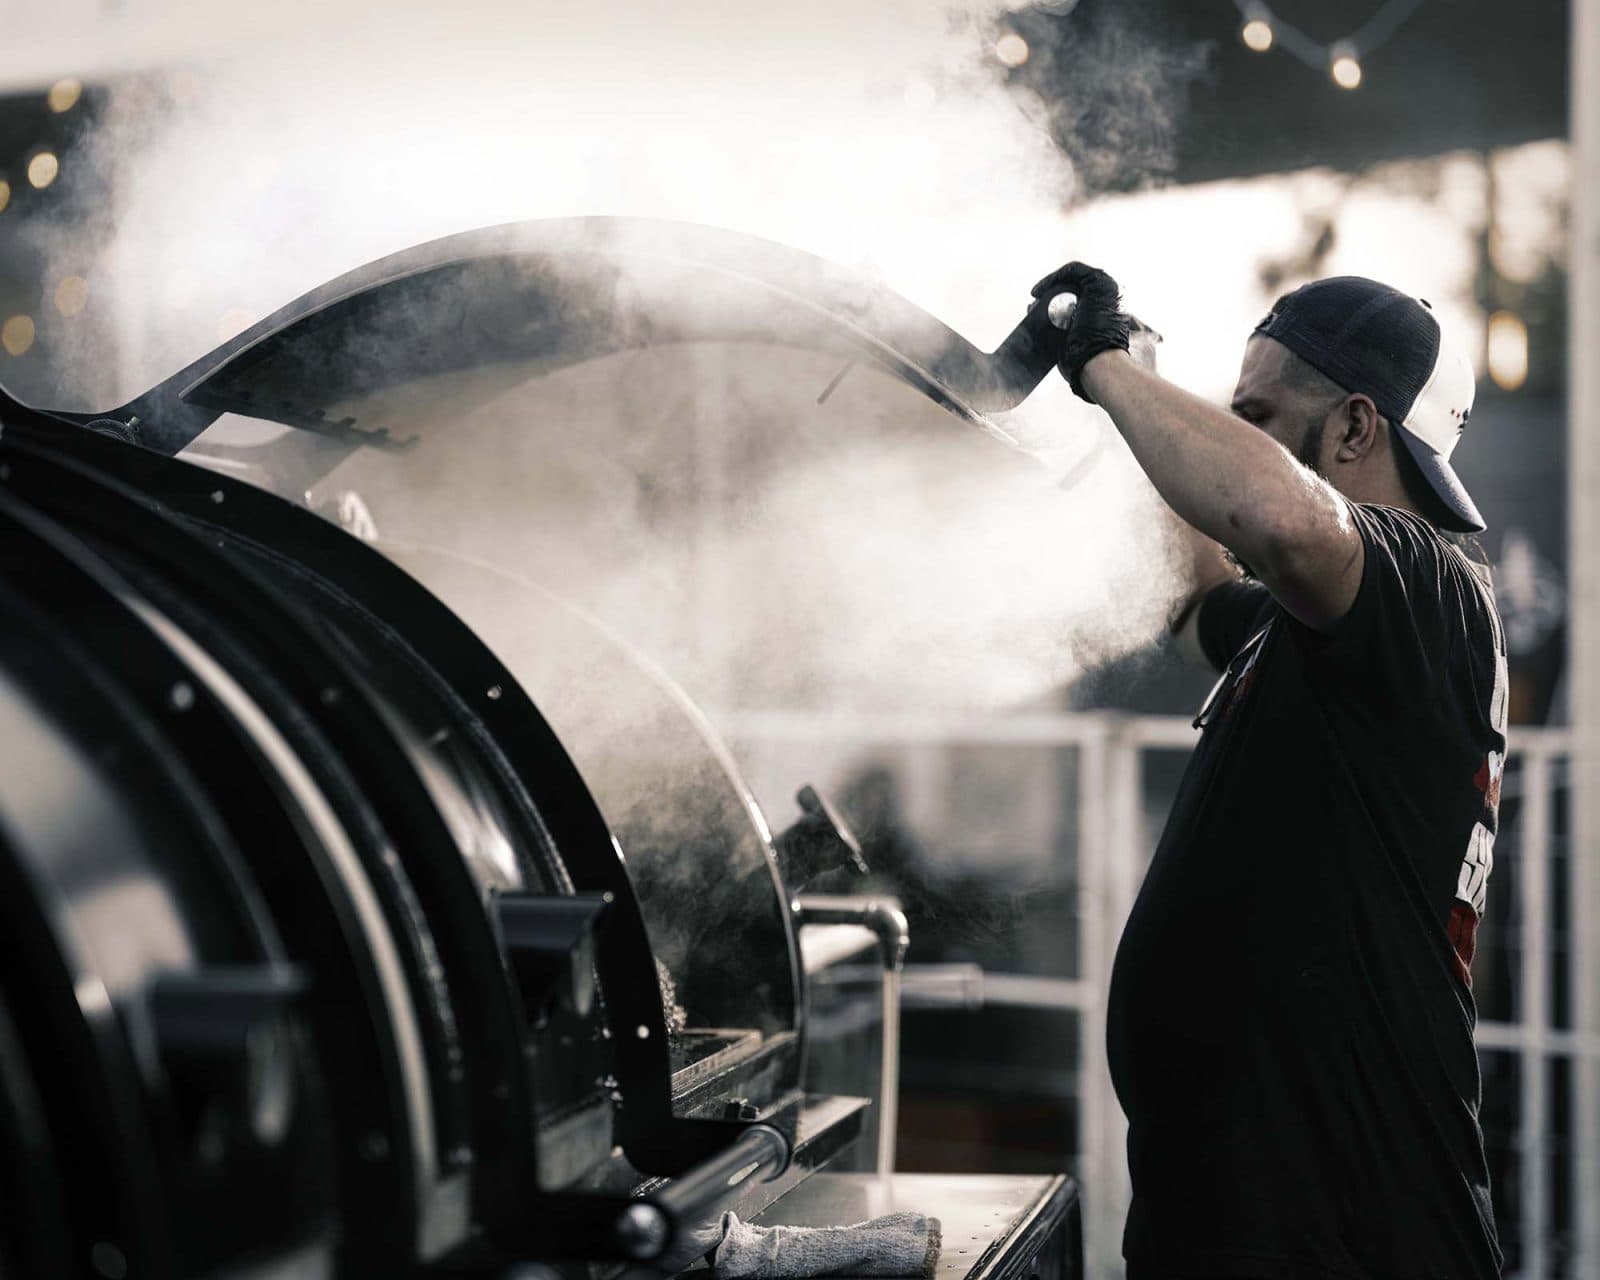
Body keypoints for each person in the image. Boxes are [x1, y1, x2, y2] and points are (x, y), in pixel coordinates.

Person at [1033, 264, 1507, 1279]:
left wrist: (1105, 368)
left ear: (1351, 430)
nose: (1232, 434)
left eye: (1255, 415)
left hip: (1338, 1226)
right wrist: (1143, 391)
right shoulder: (1311, 629)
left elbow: (1282, 520)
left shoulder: (1429, 584)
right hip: (1247, 1208)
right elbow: (1207, 583)